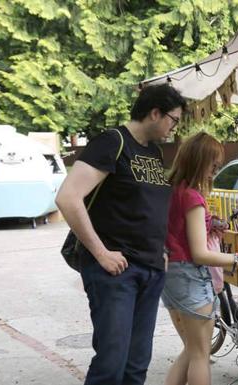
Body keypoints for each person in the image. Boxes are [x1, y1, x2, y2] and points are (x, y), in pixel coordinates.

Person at [55, 83, 186, 385]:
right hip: (117, 272)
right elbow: (68, 197)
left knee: (136, 365)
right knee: (111, 365)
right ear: (155, 113)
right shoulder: (112, 142)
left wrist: (162, 250)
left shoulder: (152, 152)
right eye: (174, 120)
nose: (174, 128)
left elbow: (148, 207)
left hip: (151, 269)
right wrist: (101, 253)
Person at [162, 132, 238, 385]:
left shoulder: (173, 191)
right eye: (212, 165)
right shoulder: (192, 197)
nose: (214, 171)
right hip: (190, 276)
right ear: (199, 161)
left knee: (190, 351)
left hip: (171, 277)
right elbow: (200, 253)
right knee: (200, 354)